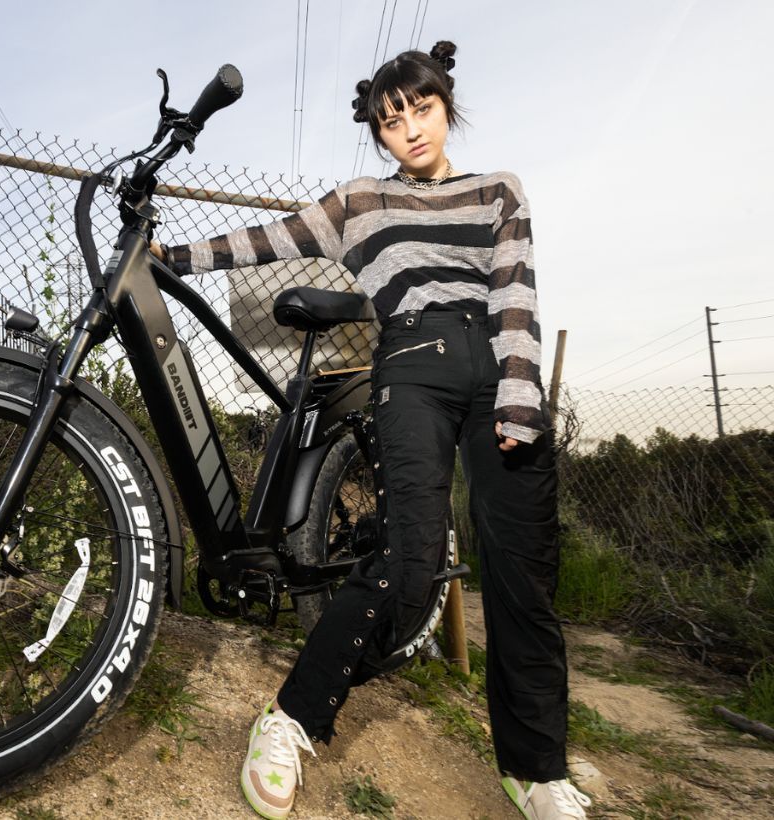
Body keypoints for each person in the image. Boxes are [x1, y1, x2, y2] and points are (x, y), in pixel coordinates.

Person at [153, 41, 590, 820]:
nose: (412, 130)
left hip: (497, 368)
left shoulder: (499, 190)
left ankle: (537, 770)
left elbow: (516, 294)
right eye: (393, 122)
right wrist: (172, 256)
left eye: (421, 110)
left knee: (525, 576)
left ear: (444, 106)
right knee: (409, 560)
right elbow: (268, 240)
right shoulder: (359, 203)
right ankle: (290, 720)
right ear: (380, 134)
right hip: (412, 364)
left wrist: (520, 393)